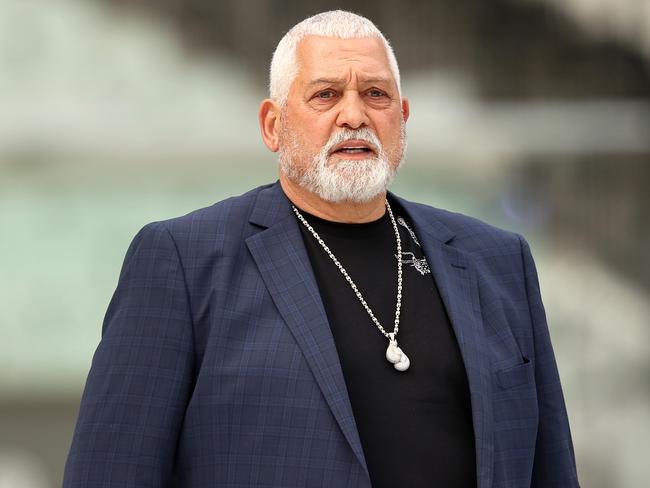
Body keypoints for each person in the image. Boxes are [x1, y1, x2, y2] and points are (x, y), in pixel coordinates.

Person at [63, 10, 579, 488]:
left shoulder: (498, 261)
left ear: (401, 118)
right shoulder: (183, 260)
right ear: (273, 124)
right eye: (326, 95)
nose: (353, 116)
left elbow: (549, 466)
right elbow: (111, 471)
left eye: (375, 95)